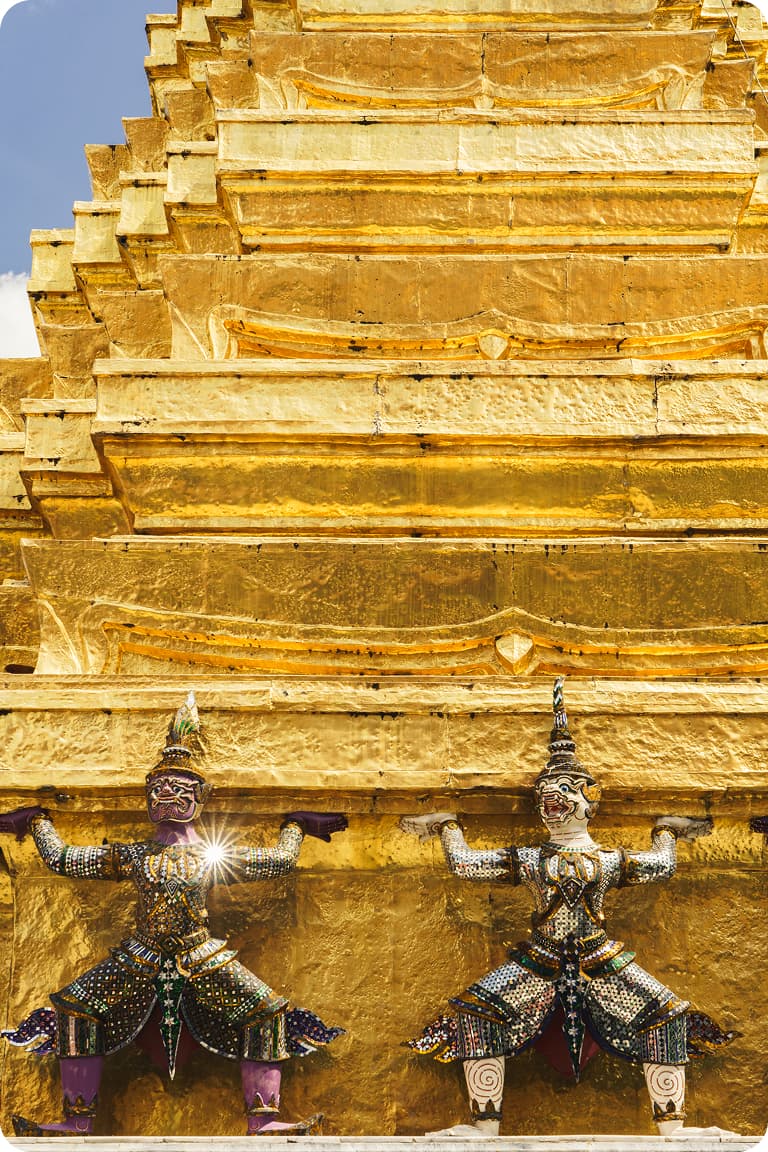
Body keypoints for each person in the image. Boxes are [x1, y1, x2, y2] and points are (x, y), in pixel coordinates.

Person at [401, 678, 737, 1137]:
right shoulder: (532, 859)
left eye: (563, 790)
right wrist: (447, 826)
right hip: (539, 959)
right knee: (476, 1012)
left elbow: (661, 866)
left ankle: (673, 1127)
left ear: (588, 799)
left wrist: (666, 829)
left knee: (667, 1016)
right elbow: (466, 865)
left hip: (601, 959)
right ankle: (484, 1127)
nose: (551, 800)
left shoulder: (607, 860)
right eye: (545, 793)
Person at [0, 693, 347, 1137]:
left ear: (199, 797)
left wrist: (295, 826)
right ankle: (77, 1119)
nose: (166, 794)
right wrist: (37, 822)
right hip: (140, 954)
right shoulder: (134, 856)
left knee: (266, 1011)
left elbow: (279, 861)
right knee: (76, 1009)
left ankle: (264, 1119)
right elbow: (64, 859)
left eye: (179, 789)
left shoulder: (214, 857)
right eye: (158, 789)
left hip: (200, 954)